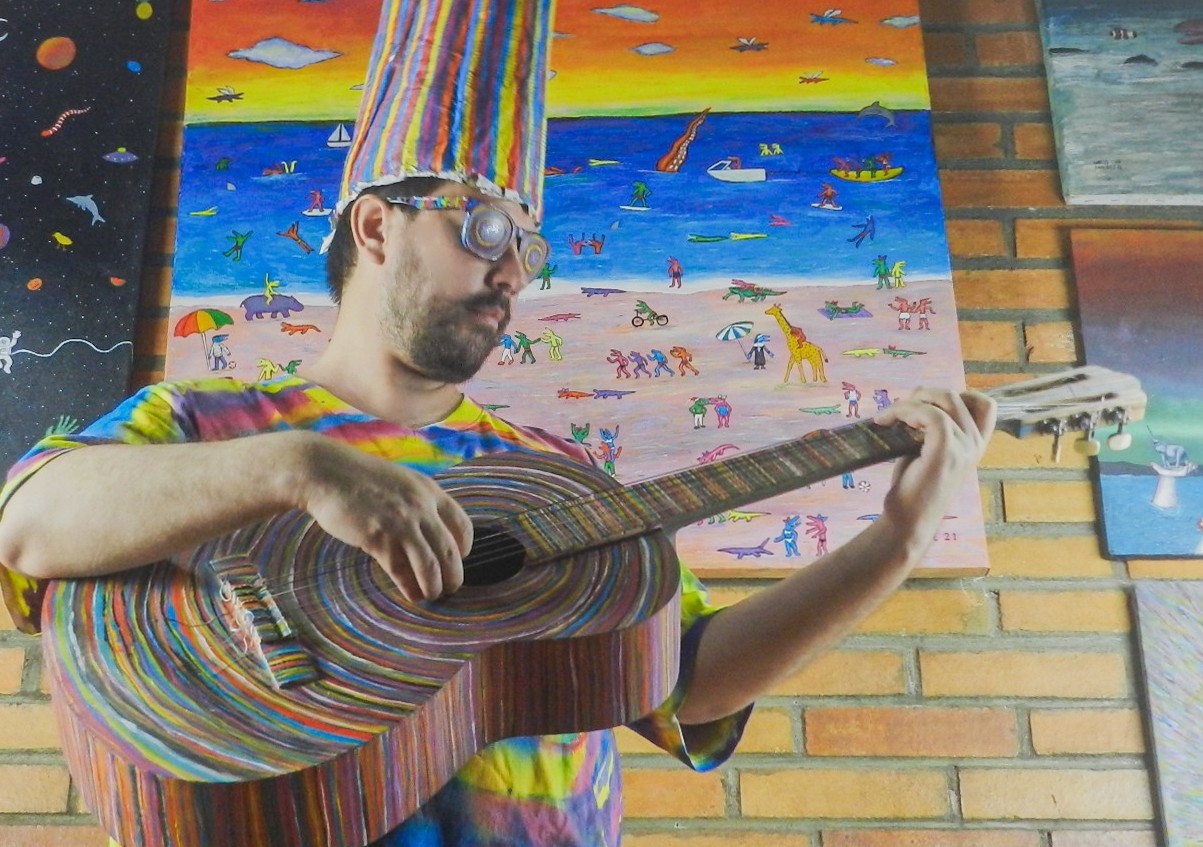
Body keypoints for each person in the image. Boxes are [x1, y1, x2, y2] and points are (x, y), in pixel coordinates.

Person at [0, 2, 997, 846]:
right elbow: (28, 523)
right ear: (377, 226)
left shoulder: (555, 473)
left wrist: (896, 540)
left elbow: (690, 680)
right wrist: (298, 468)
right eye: (483, 229)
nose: (514, 271)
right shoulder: (204, 421)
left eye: (528, 245)